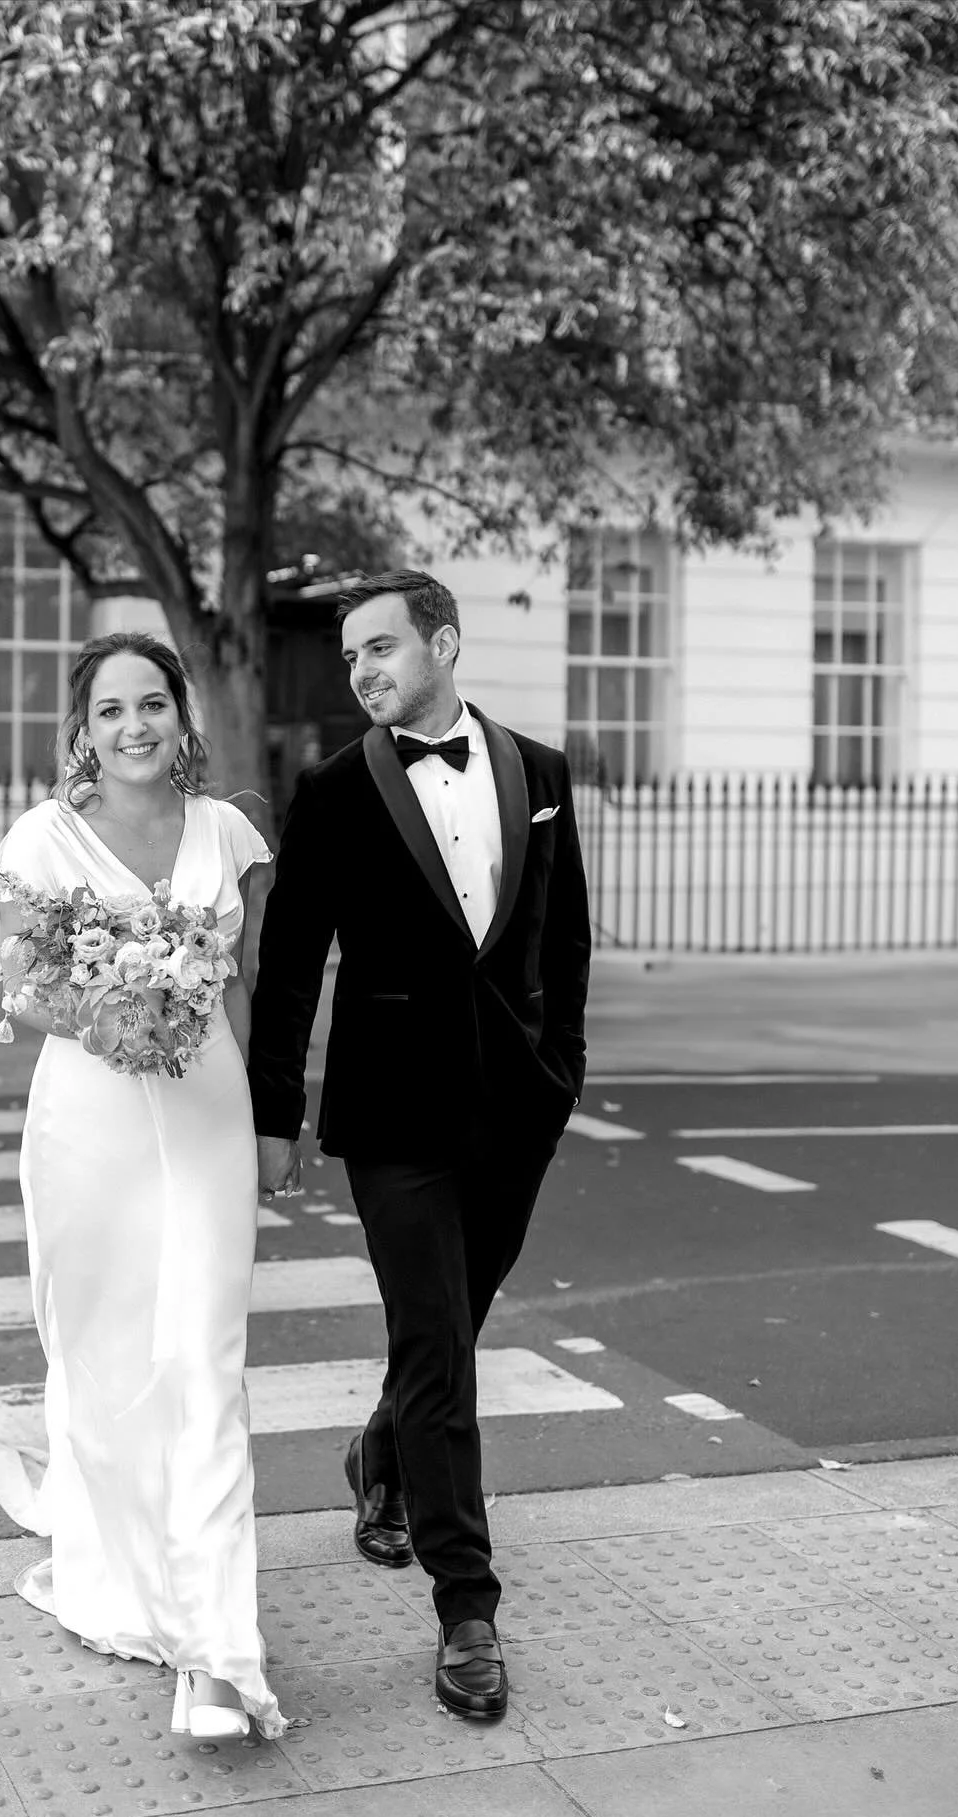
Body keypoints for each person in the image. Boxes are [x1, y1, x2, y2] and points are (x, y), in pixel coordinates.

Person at [247, 569, 590, 1720]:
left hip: (517, 1107)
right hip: (395, 1115)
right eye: (350, 657)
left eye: (380, 648)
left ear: (443, 643)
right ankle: (467, 1610)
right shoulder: (334, 790)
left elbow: (565, 940)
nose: (361, 672)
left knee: (453, 1325)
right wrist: (273, 1114)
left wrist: (563, 1071)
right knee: (440, 1345)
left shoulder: (540, 772)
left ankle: (380, 1455)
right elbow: (292, 962)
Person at [0, 631, 285, 1742]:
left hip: (209, 1117)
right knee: (106, 1361)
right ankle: (119, 1578)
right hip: (90, 1124)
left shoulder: (228, 832)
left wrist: (274, 1120)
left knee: (205, 1361)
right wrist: (111, 1009)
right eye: (110, 710)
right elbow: (19, 986)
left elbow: (246, 985)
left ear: (181, 717)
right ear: (83, 730)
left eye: (152, 704)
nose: (133, 727)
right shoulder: (41, 839)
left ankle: (217, 1657)